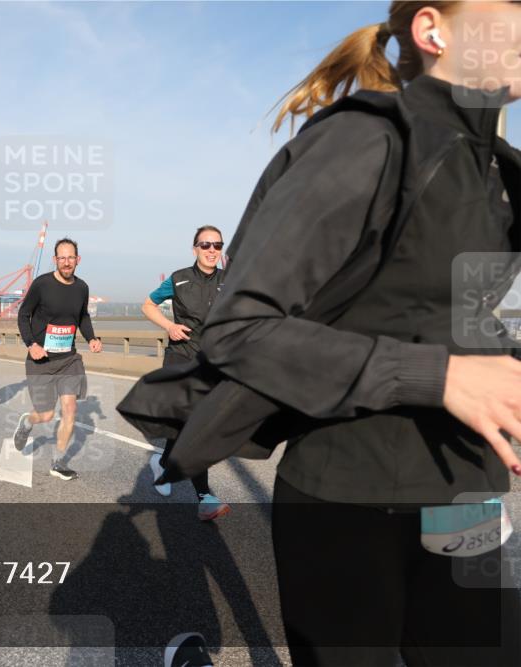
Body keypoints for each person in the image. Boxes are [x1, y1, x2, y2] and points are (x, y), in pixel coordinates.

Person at [135, 2, 521, 664]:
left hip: (468, 492)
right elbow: (239, 327)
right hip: (348, 493)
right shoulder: (365, 141)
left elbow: (473, 325)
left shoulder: (503, 174)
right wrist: (441, 376)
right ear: (435, 30)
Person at [142, 227, 229, 521]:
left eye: (217, 245)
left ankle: (163, 462)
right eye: (206, 244)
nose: (211, 249)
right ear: (195, 248)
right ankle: (204, 496)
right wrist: (169, 326)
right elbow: (148, 305)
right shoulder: (178, 278)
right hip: (179, 358)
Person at [13, 238, 103, 480]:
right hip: (40, 360)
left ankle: (58, 462)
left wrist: (92, 337)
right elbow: (23, 315)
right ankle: (27, 422)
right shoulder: (42, 284)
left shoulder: (81, 287)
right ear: (55, 260)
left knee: (70, 408)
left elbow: (82, 316)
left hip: (69, 359)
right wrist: (31, 344)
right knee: (46, 415)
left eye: (70, 257)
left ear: (78, 259)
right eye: (62, 258)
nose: (66, 262)